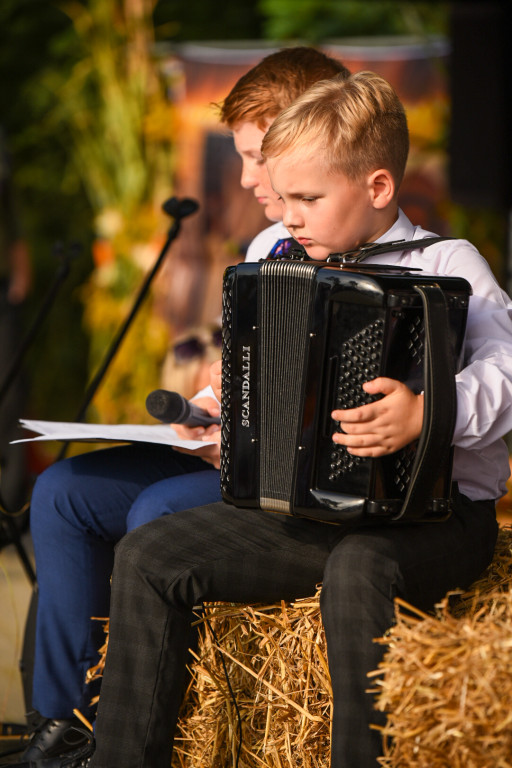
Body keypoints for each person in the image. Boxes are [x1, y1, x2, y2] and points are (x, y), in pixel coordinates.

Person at [80, 71, 511, 768]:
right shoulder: (277, 260)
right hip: (315, 516)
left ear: (377, 188)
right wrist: (220, 415)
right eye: (284, 200)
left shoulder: (446, 261)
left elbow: (509, 373)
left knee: (359, 566)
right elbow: (254, 376)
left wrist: (429, 412)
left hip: (440, 520)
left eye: (307, 199)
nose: (290, 217)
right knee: (149, 554)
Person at [18, 47, 349, 767]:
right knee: (64, 490)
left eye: (258, 156)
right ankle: (63, 724)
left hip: (291, 480)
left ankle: (132, 726)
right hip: (228, 455)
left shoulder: (420, 261)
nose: (245, 178)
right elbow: (240, 375)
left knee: (158, 513)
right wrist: (202, 407)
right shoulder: (269, 246)